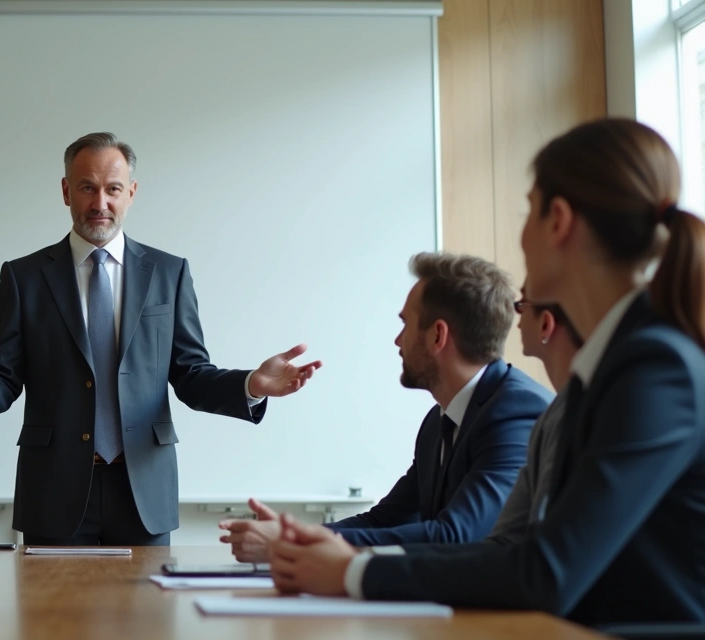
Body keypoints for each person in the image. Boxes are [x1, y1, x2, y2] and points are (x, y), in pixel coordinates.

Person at [266, 118, 705, 627]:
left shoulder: (655, 369)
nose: (521, 235)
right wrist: (344, 561)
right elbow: (520, 553)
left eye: (528, 210)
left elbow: (546, 571)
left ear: (558, 221)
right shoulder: (619, 364)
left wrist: (354, 572)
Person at [0, 132, 321, 545]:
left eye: (113, 189)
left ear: (131, 193)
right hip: (54, 490)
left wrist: (250, 385)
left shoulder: (169, 274)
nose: (100, 203)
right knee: (49, 603)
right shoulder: (24, 277)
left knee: (150, 602)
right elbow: (1, 378)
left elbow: (191, 375)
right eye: (87, 188)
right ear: (66, 192)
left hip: (143, 490)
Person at [219, 252, 550, 560]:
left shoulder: (516, 414)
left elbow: (456, 536)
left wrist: (292, 542)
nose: (397, 340)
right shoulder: (438, 423)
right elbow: (384, 519)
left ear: (438, 336)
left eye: (406, 324)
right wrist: (295, 535)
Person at [482, 281, 581, 544]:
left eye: (522, 305)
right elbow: (502, 544)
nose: (515, 320)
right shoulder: (553, 414)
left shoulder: (533, 409)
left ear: (546, 325)